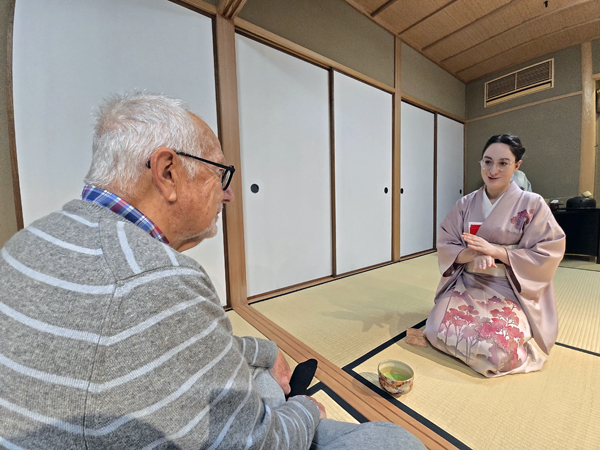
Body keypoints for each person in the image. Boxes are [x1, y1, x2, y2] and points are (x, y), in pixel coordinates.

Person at [0, 92, 425, 449]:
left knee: (259, 378)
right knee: (394, 441)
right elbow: (259, 445)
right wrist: (307, 409)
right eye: (219, 174)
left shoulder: (29, 240)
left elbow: (170, 345)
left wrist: (268, 351)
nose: (229, 194)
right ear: (167, 173)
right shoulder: (156, 279)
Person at [424, 134, 565, 377]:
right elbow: (446, 242)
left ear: (517, 166)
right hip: (468, 283)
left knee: (498, 353)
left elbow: (549, 249)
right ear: (481, 163)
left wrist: (498, 252)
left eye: (503, 163)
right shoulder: (466, 204)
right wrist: (471, 254)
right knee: (435, 329)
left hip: (509, 287)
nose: (493, 170)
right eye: (487, 162)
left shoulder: (533, 204)